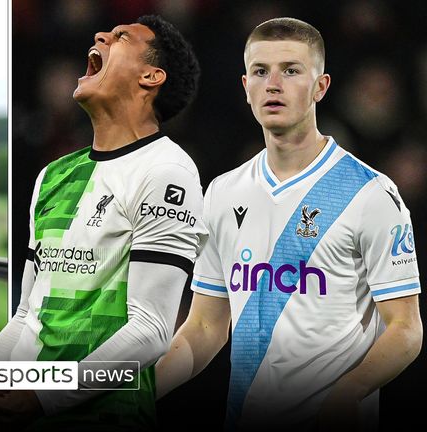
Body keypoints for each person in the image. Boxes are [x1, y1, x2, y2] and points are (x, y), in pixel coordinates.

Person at [0, 15, 204, 430]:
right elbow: (29, 317)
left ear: (151, 76)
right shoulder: (53, 175)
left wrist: (47, 396)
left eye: (121, 38)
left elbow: (151, 331)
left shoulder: (168, 171)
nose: (100, 36)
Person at [155, 17, 422, 431]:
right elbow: (206, 326)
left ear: (321, 86)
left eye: (291, 71)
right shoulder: (222, 193)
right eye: (261, 71)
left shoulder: (370, 194)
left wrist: (350, 391)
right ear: (246, 87)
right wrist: (143, 391)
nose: (273, 84)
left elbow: (405, 329)